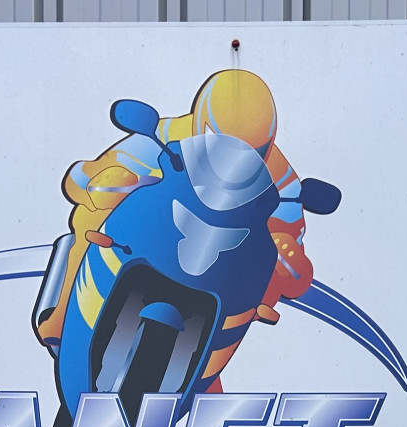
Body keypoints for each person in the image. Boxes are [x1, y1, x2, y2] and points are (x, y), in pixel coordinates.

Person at [35, 68, 315, 377]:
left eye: (253, 151)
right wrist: (107, 181)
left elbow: (290, 239)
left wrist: (288, 252)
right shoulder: (164, 136)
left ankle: (207, 371)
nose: (233, 160)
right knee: (91, 215)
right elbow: (82, 179)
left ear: (266, 145)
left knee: (267, 277)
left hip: (223, 260)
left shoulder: (282, 178)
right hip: (158, 240)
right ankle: (63, 314)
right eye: (219, 140)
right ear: (201, 121)